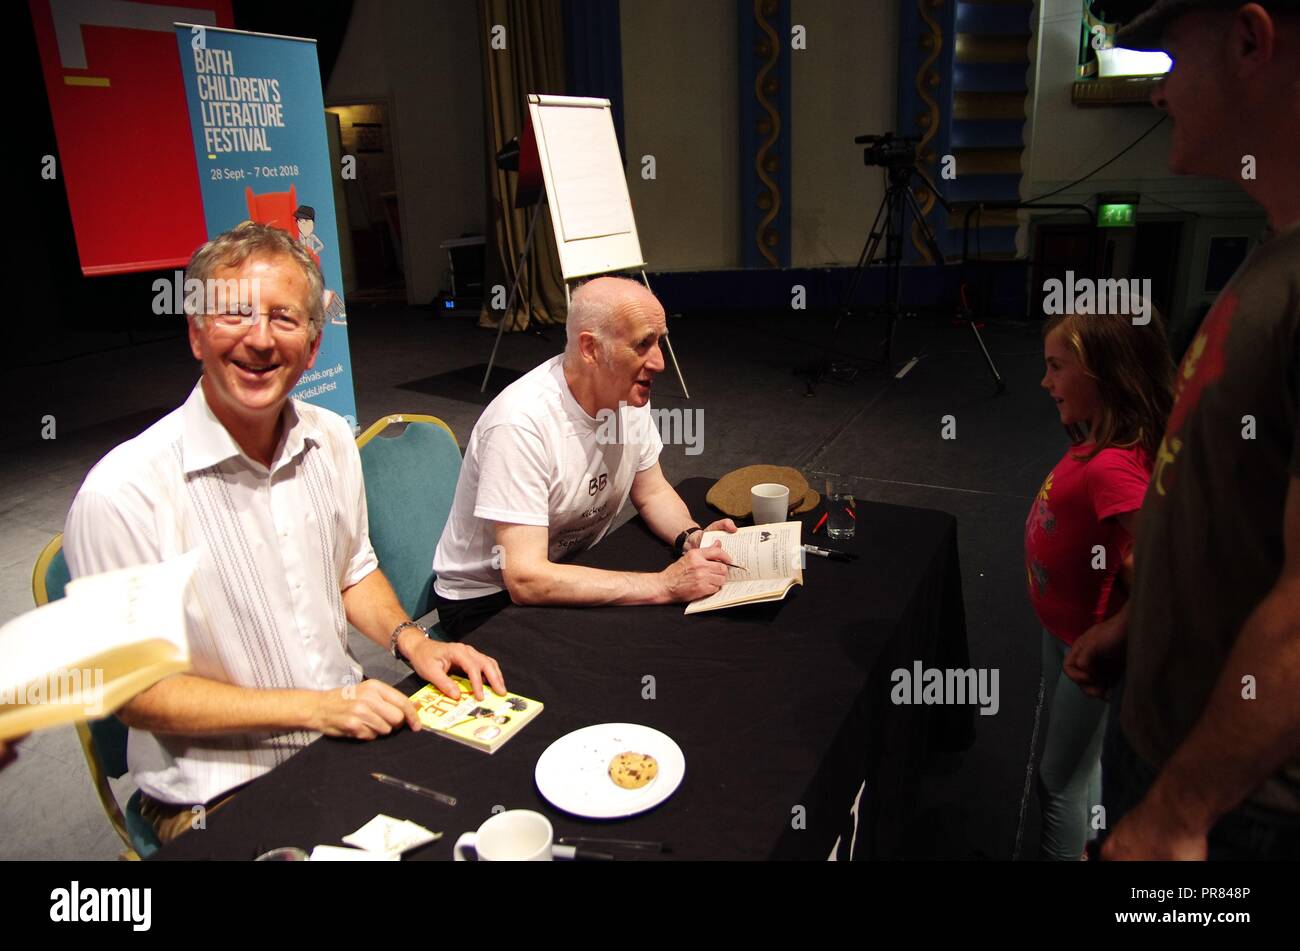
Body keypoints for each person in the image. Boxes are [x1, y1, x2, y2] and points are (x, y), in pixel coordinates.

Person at [64, 222, 505, 844]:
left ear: (314, 344)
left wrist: (412, 642)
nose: (260, 340)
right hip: (218, 791)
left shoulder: (329, 439)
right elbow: (139, 695)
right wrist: (317, 708)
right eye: (234, 315)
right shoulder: (123, 493)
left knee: (491, 812)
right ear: (194, 332)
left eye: (285, 318)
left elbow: (353, 570)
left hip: (342, 738)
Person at [1067, 0, 1300, 859]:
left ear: (1249, 40)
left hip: (1240, 804)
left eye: (1167, 59)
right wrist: (1138, 627)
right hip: (1172, 746)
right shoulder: (1273, 250)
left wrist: (1178, 815)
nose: (1159, 93)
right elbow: (1225, 498)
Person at [432, 276, 737, 637]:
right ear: (591, 349)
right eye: (642, 345)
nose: (659, 362)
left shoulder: (626, 393)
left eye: (660, 342)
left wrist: (691, 537)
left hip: (565, 566)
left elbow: (652, 491)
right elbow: (526, 579)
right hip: (487, 602)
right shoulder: (520, 423)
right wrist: (663, 586)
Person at [1026, 309, 1173, 860]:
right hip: (1062, 632)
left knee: (1056, 782)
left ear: (1106, 374)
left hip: (1086, 642)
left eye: (1057, 367)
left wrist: (1119, 628)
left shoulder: (1114, 467)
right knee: (1081, 768)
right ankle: (1089, 848)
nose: (1046, 382)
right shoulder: (1104, 446)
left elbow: (1165, 559)